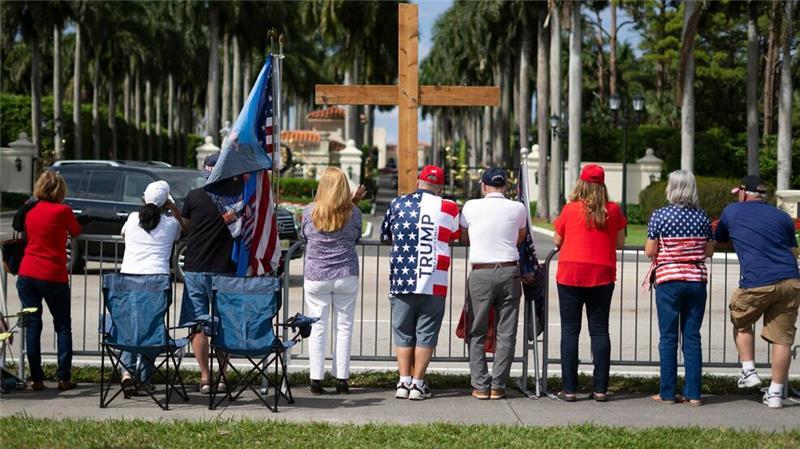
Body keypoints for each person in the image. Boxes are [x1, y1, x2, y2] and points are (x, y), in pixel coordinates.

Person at [714, 175, 800, 409]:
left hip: (757, 279)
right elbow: (793, 250)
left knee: (741, 318)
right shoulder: (782, 217)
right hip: (790, 280)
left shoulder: (732, 211)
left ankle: (749, 371)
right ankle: (775, 394)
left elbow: (719, 239)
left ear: (743, 193)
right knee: (783, 339)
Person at [380, 165, 459, 401]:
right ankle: (418, 383)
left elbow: (385, 236)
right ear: (441, 187)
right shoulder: (450, 207)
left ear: (417, 182)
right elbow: (455, 236)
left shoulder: (397, 204)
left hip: (402, 280)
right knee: (426, 333)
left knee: (403, 332)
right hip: (434, 280)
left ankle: (403, 382)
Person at [553, 164, 626, 402]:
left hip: (571, 272)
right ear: (603, 185)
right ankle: (600, 389)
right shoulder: (613, 210)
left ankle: (570, 388)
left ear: (581, 184)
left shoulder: (570, 209)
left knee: (570, 331)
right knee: (599, 331)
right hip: (602, 274)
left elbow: (557, 239)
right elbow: (620, 242)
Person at [645, 170, 714, 406]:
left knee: (668, 337)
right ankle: (694, 394)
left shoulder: (660, 216)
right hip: (696, 280)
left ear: (671, 188)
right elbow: (709, 251)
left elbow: (650, 251)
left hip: (669, 280)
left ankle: (667, 392)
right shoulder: (702, 217)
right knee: (692, 337)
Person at [460, 167, 528, 400]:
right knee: (506, 332)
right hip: (509, 270)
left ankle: (480, 384)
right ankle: (498, 385)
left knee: (477, 330)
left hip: (481, 271)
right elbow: (520, 237)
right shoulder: (518, 208)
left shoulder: (470, 206)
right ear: (505, 186)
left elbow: (463, 236)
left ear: (484, 185)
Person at [301, 167, 366, 395]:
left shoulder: (309, 211)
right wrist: (354, 203)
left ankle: (316, 379)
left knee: (318, 327)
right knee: (344, 327)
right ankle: (341, 379)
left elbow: (304, 235)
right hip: (345, 272)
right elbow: (355, 235)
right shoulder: (354, 213)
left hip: (317, 274)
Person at [15, 171, 80, 392]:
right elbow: (76, 231)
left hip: (28, 272)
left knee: (33, 325)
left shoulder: (30, 209)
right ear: (60, 190)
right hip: (53, 274)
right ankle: (63, 377)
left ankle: (36, 379)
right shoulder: (63, 211)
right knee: (62, 325)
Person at [178, 153, 238, 394]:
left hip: (195, 268)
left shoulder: (194, 197)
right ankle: (222, 376)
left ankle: (205, 377)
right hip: (225, 269)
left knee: (198, 324)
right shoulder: (234, 199)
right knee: (224, 324)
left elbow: (186, 226)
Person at [118, 181, 185, 395]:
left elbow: (123, 234)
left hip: (129, 278)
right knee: (152, 328)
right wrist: (172, 207)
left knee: (129, 326)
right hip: (157, 281)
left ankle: (127, 372)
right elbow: (182, 228)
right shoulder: (171, 224)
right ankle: (145, 377)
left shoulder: (131, 219)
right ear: (166, 201)